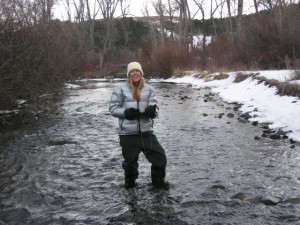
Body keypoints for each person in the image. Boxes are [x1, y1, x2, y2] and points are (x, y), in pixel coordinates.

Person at [109, 62, 167, 188]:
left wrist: (153, 111)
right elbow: (113, 109)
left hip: (147, 133)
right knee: (130, 165)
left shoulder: (150, 89)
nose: (135, 73)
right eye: (132, 71)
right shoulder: (120, 89)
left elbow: (155, 106)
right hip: (128, 135)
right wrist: (126, 113)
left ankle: (158, 186)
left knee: (160, 158)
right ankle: (130, 187)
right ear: (129, 74)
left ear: (141, 73)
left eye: (137, 71)